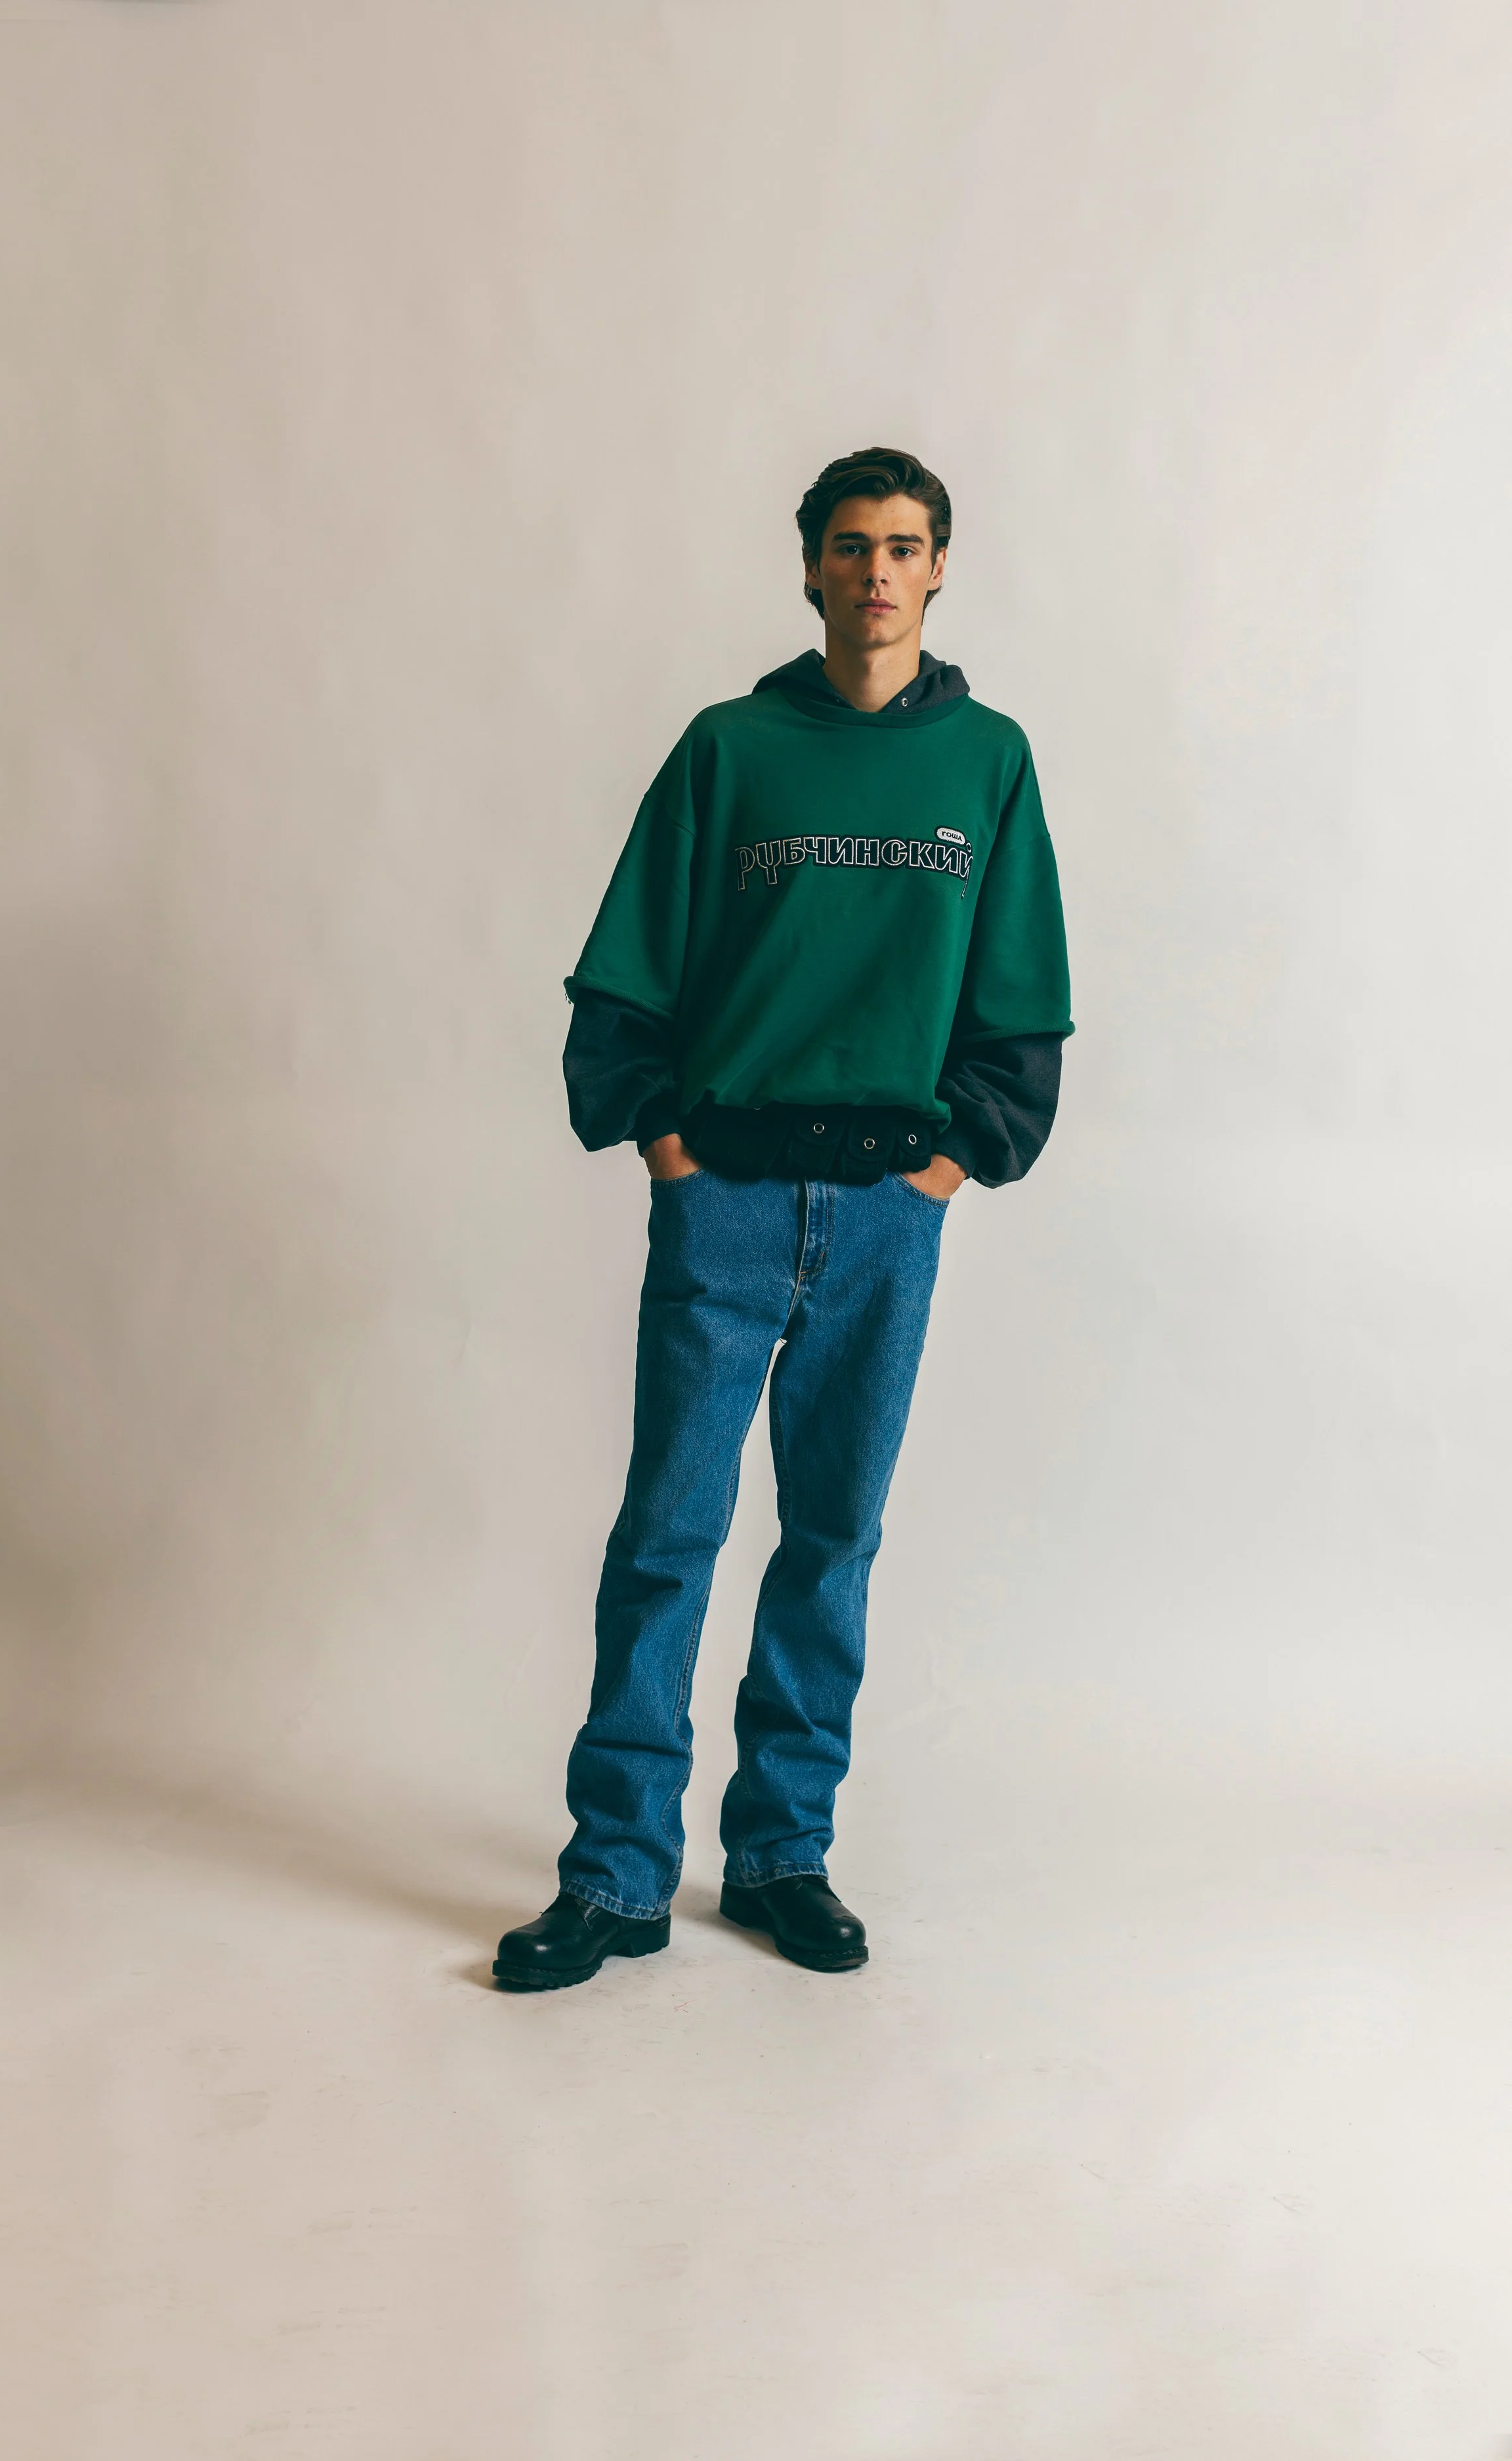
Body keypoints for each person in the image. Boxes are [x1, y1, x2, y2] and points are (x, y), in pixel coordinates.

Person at [494, 447, 1072, 1990]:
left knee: (830, 1539)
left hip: (888, 1209)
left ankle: (777, 1856)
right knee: (667, 1536)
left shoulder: (988, 762)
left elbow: (1019, 1002)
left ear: (938, 568)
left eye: (903, 545)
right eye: (849, 544)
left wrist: (946, 1170)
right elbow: (625, 973)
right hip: (727, 1203)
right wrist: (671, 1151)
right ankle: (615, 1875)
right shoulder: (727, 750)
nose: (875, 570)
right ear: (808, 566)